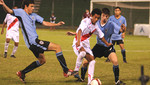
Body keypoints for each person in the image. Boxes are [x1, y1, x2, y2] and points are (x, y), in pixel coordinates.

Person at [0, 0, 75, 83]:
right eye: (31, 6)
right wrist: (3, 4)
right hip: (33, 42)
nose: (33, 8)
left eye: (33, 6)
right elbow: (9, 11)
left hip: (33, 42)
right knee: (57, 47)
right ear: (26, 6)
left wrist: (57, 24)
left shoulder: (34, 15)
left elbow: (45, 23)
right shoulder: (21, 12)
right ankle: (66, 71)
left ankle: (22, 73)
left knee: (42, 61)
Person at [67, 8, 126, 85]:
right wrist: (75, 34)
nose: (104, 17)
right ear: (101, 15)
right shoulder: (96, 23)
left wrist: (123, 29)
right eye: (103, 16)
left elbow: (121, 30)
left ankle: (117, 81)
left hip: (107, 48)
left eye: (106, 16)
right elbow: (84, 31)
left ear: (108, 17)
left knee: (115, 61)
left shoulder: (111, 24)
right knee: (85, 62)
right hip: (98, 47)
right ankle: (81, 78)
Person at [71, 8, 112, 85]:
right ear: (91, 15)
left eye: (98, 18)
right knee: (82, 52)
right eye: (95, 17)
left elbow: (101, 36)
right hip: (78, 41)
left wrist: (107, 44)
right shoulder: (85, 21)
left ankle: (90, 82)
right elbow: (79, 31)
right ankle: (76, 71)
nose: (96, 19)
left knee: (92, 61)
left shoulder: (96, 26)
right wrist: (78, 42)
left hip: (86, 45)